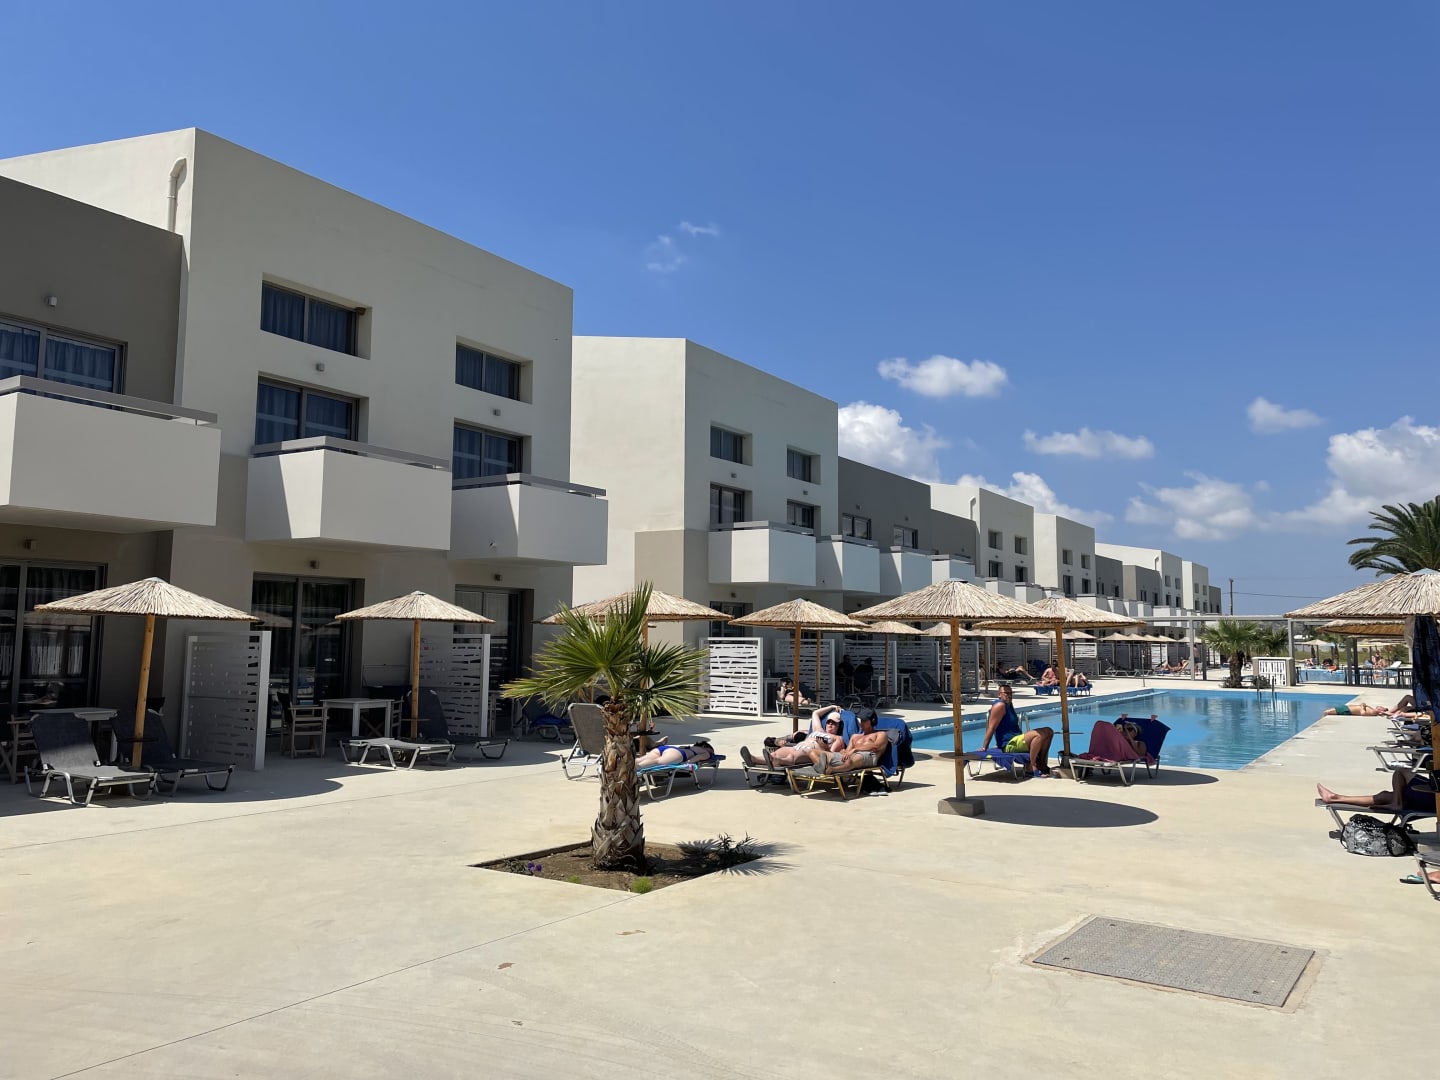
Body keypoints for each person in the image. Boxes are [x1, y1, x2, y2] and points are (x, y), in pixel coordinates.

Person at [980, 684, 1055, 777]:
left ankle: (1041, 764)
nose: (1009, 695)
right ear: (999, 694)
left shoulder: (1009, 704)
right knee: (1038, 735)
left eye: (1010, 693)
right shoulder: (1000, 705)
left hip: (1016, 740)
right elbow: (991, 727)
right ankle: (1030, 767)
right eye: (1006, 693)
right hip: (1009, 744)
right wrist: (985, 747)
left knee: (1049, 731)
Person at [742, 712, 846, 768]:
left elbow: (831, 755)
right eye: (828, 722)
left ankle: (779, 761)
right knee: (776, 753)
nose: (830, 724)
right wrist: (832, 707)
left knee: (793, 756)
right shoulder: (818, 729)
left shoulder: (838, 738)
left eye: (834, 723)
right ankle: (754, 759)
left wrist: (823, 746)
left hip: (811, 752)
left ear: (839, 726)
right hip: (798, 746)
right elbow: (815, 713)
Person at [1316, 767, 1435, 815]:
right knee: (1385, 796)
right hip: (1432, 799)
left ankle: (1397, 803)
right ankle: (1335, 797)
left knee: (1401, 772)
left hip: (1434, 798)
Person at [806, 707, 890, 774]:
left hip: (869, 756)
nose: (861, 723)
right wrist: (842, 751)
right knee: (812, 752)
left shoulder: (880, 734)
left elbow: (876, 747)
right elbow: (847, 751)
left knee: (849, 760)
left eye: (864, 721)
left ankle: (831, 770)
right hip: (851, 756)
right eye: (861, 720)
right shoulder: (855, 736)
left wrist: (855, 749)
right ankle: (824, 768)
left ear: (872, 721)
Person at [634, 739, 715, 769]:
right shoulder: (705, 752)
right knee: (657, 762)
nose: (711, 754)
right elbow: (698, 757)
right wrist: (688, 763)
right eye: (711, 751)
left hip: (666, 748)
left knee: (640, 760)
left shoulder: (690, 747)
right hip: (678, 754)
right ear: (704, 746)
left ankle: (629, 766)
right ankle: (635, 768)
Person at [1320, 702, 1389, 717]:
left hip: (1347, 710)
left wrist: (1362, 706)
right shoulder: (1372, 709)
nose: (1380, 706)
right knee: (1327, 711)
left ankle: (1320, 725)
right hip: (1347, 708)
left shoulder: (1374, 712)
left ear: (1381, 711)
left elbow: (1363, 713)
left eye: (1382, 707)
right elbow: (1363, 704)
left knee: (1326, 712)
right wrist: (1363, 705)